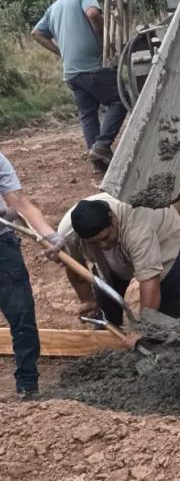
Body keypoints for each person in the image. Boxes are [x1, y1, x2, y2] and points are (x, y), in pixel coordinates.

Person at [31, 0, 127, 174]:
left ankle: (97, 161)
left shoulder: (53, 8)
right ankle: (101, 145)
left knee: (88, 114)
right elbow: (92, 13)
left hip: (72, 72)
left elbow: (36, 33)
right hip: (92, 66)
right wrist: (103, 35)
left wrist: (60, 52)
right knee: (119, 100)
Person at [57, 194, 180, 327]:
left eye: (105, 237)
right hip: (120, 245)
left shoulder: (137, 230)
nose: (103, 245)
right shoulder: (68, 236)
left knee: (164, 319)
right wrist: (87, 300)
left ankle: (163, 339)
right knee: (106, 311)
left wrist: (143, 329)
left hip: (163, 243)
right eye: (94, 242)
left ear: (113, 219)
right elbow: (75, 267)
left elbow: (150, 281)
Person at [0, 153, 65, 400]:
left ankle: (27, 387)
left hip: (2, 243)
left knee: (22, 313)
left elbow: (20, 203)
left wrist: (49, 235)